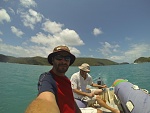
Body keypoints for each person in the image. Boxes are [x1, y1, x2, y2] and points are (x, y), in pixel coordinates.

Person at [25, 45, 81, 113]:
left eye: (67, 58)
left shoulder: (67, 80)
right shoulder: (47, 79)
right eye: (59, 57)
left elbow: (71, 101)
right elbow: (45, 100)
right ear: (53, 60)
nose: (63, 61)